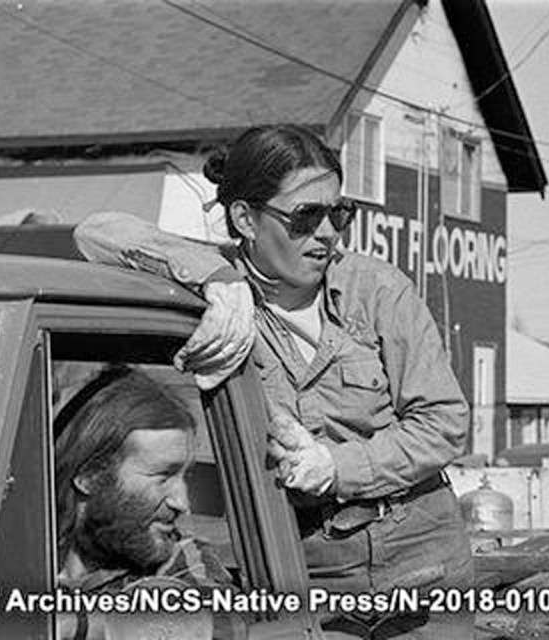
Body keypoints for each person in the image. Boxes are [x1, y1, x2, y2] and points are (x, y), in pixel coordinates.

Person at [74, 124, 474, 638]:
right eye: (306, 216)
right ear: (245, 218)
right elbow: (96, 231)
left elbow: (443, 421)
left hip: (424, 550)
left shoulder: (378, 291)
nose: (327, 233)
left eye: (339, 213)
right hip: (307, 563)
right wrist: (216, 279)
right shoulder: (216, 287)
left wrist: (335, 466)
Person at [54, 366, 234, 640]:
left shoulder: (181, 560)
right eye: (163, 476)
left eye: (184, 476)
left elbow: (218, 626)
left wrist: (74, 624)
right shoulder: (21, 556)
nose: (182, 502)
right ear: (90, 477)